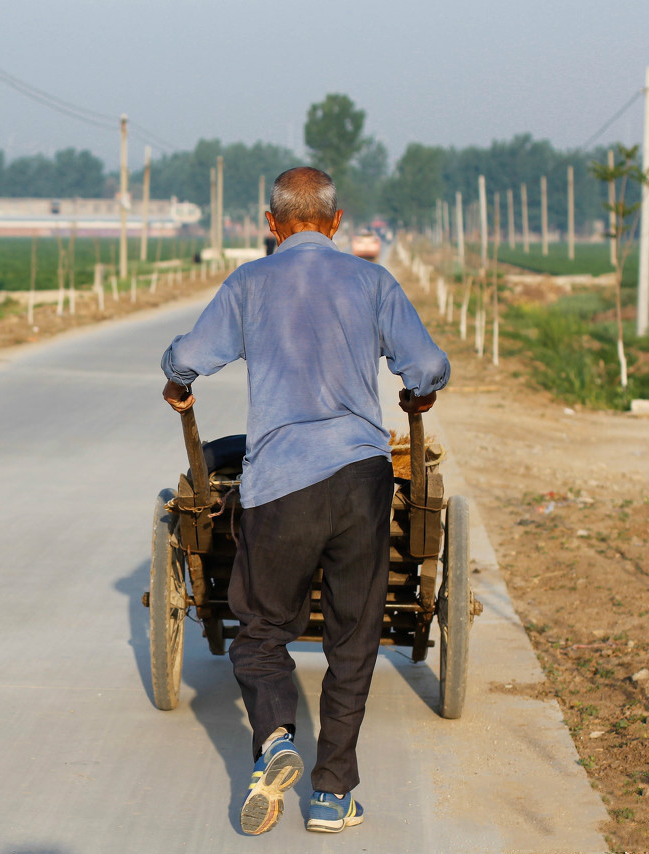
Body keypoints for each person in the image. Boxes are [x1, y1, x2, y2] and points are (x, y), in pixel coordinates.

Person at [159, 166, 449, 836]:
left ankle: (275, 741)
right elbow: (426, 367)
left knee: (259, 632)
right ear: (337, 221)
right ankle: (332, 794)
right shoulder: (371, 282)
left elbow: (188, 360)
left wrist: (177, 381)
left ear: (271, 223)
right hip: (360, 479)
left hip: (280, 484)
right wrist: (419, 394)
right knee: (353, 639)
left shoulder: (250, 284)